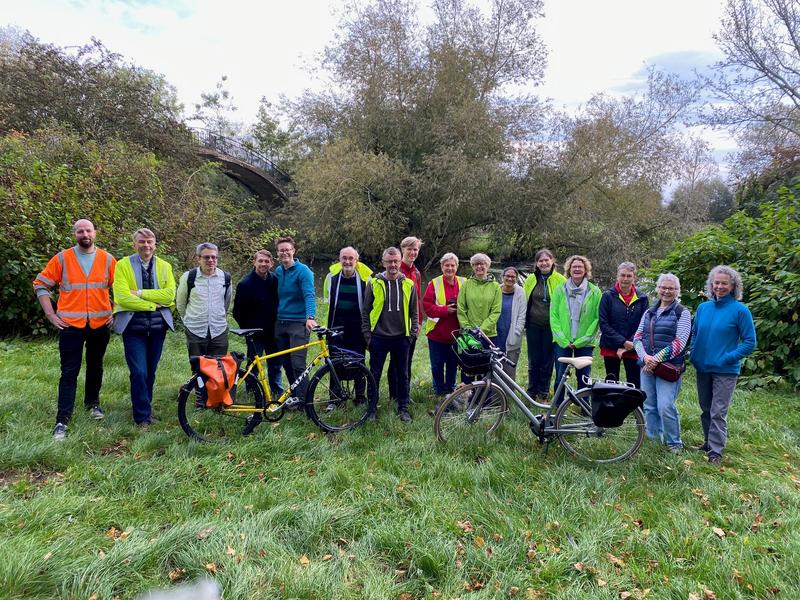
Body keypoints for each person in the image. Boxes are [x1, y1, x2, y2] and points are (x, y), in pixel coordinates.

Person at [33, 219, 116, 440]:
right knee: (69, 371)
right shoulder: (62, 258)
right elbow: (40, 284)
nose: (84, 233)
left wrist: (115, 313)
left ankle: (93, 404)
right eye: (80, 231)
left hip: (100, 324)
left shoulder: (108, 259)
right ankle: (62, 419)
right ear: (75, 234)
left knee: (96, 366)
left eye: (88, 230)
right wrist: (50, 314)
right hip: (70, 325)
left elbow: (122, 288)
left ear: (95, 233)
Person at [690, 265, 756, 465]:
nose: (719, 286)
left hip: (726, 370)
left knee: (718, 411)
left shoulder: (740, 311)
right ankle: (708, 442)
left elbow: (750, 342)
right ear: (711, 284)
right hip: (703, 367)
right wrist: (694, 353)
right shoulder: (703, 308)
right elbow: (695, 333)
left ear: (733, 286)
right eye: (716, 283)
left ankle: (716, 452)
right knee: (705, 408)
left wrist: (728, 357)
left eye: (724, 283)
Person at [112, 228, 176, 427]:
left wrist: (139, 293)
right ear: (134, 244)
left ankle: (145, 408)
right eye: (142, 242)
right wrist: (151, 304)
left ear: (155, 244)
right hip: (133, 327)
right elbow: (122, 297)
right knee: (139, 371)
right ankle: (141, 417)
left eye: (149, 242)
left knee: (151, 370)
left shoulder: (165, 266)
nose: (146, 245)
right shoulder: (122, 265)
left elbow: (169, 296)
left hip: (158, 327)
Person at [633, 273, 691, 454]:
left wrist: (655, 359)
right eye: (663, 287)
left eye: (671, 288)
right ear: (658, 289)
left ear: (677, 291)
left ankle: (674, 443)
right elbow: (637, 337)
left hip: (669, 368)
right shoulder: (649, 312)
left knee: (665, 405)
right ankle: (653, 440)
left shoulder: (682, 312)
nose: (666, 291)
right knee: (649, 405)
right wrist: (645, 358)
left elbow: (680, 342)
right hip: (647, 367)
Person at [361, 247, 420, 422]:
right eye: (389, 261)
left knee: (402, 374)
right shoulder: (374, 283)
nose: (393, 265)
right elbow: (365, 311)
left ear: (400, 261)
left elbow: (414, 312)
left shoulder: (409, 284)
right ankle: (371, 409)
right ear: (383, 262)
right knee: (374, 374)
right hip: (378, 337)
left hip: (402, 338)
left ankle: (403, 408)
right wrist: (367, 336)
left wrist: (412, 334)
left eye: (396, 261)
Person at [322, 246, 373, 404]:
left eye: (351, 258)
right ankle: (335, 398)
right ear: (340, 259)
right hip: (336, 327)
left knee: (358, 361)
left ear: (357, 261)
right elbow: (326, 305)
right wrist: (326, 328)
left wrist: (368, 330)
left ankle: (360, 397)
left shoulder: (366, 279)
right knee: (334, 362)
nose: (347, 261)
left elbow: (371, 306)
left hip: (357, 327)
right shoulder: (331, 277)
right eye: (344, 258)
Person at [550, 255, 601, 404]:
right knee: (560, 376)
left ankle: (584, 408)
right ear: (569, 270)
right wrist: (562, 340)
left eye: (580, 266)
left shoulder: (595, 291)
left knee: (584, 376)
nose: (577, 269)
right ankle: (558, 407)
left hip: (585, 342)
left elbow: (596, 318)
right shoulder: (560, 290)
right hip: (563, 341)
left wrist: (581, 340)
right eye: (574, 267)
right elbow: (554, 316)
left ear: (586, 270)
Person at [232, 250, 282, 398]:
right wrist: (247, 330)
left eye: (267, 261)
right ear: (254, 262)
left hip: (273, 330)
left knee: (275, 363)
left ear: (271, 263)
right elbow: (237, 311)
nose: (263, 264)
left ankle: (276, 389)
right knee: (254, 363)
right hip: (255, 332)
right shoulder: (245, 284)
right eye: (260, 261)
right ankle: (252, 390)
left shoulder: (274, 280)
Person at [274, 237, 318, 405]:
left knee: (298, 363)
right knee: (286, 362)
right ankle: (295, 395)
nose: (284, 252)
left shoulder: (303, 271)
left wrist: (310, 317)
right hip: (280, 323)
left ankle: (307, 401)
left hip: (299, 323)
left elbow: (309, 295)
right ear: (277, 253)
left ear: (293, 251)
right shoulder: (278, 271)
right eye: (281, 250)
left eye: (287, 249)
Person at [523, 248, 566, 401]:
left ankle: (543, 390)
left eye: (546, 260)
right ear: (537, 263)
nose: (544, 263)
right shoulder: (530, 279)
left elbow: (565, 304)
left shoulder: (561, 280)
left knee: (547, 359)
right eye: (540, 261)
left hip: (551, 327)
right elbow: (523, 300)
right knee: (534, 359)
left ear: (552, 261)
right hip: (533, 325)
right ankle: (532, 389)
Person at [176, 242, 232, 360]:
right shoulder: (188, 277)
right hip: (195, 331)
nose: (211, 260)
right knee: (197, 370)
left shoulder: (226, 278)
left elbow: (226, 303)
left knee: (218, 370)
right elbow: (180, 304)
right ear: (198, 259)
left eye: (214, 257)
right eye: (206, 257)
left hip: (219, 331)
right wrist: (188, 320)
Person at [598, 262, 649, 388]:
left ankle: (635, 407)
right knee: (611, 382)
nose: (625, 279)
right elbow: (603, 324)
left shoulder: (642, 298)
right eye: (622, 275)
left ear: (634, 277)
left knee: (635, 382)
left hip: (633, 346)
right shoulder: (607, 296)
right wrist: (622, 342)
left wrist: (630, 344)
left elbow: (644, 324)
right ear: (617, 276)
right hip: (611, 345)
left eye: (629, 276)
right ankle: (613, 407)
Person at [422, 252, 465, 398]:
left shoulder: (464, 282)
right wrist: (445, 310)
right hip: (437, 333)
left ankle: (451, 388)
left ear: (457, 267)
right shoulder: (434, 283)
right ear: (441, 267)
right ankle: (439, 390)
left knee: (453, 364)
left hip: (457, 333)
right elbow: (427, 307)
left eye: (453, 265)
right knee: (437, 365)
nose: (450, 268)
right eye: (447, 265)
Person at [457, 253, 502, 382]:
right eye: (476, 264)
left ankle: (484, 398)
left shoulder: (495, 287)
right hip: (468, 334)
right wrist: (467, 328)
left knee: (485, 368)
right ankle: (467, 397)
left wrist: (481, 330)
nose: (479, 267)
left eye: (482, 264)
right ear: (472, 266)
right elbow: (461, 308)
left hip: (488, 334)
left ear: (488, 266)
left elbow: (496, 311)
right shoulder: (466, 284)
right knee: (468, 367)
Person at [391, 236, 423, 397]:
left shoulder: (416, 273)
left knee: (407, 360)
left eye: (415, 249)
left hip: (412, 324)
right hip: (396, 324)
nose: (412, 252)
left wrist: (419, 323)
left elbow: (417, 300)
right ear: (402, 249)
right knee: (395, 362)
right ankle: (393, 394)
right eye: (409, 249)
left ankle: (405, 393)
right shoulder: (396, 270)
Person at [496, 266, 526, 380]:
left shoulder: (520, 292)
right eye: (507, 276)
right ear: (502, 277)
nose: (510, 278)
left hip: (512, 333)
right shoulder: (496, 290)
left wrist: (517, 332)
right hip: (497, 332)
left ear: (517, 278)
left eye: (513, 276)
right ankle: (495, 390)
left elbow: (522, 315)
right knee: (496, 363)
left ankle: (509, 393)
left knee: (510, 365)